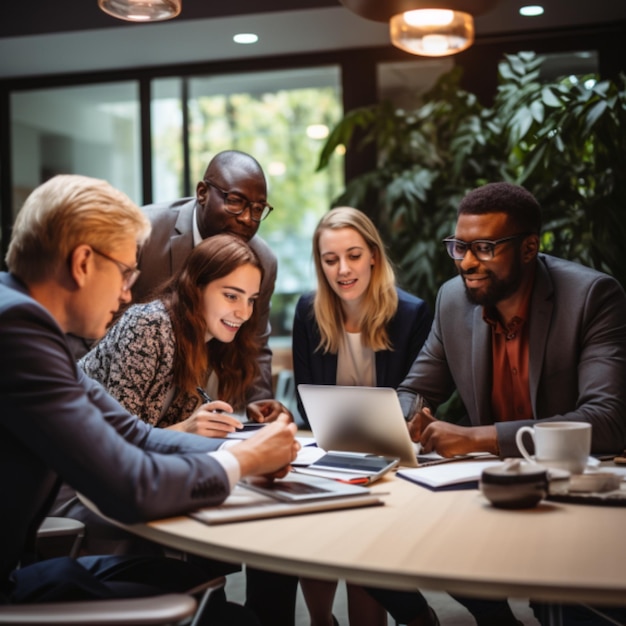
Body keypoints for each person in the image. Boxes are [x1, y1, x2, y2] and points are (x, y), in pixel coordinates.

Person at [0, 174, 299, 623]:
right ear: (83, 263)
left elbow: (130, 430)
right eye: (124, 272)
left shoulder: (27, 322)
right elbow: (131, 486)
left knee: (186, 584)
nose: (126, 292)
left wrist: (237, 447)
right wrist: (244, 462)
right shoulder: (18, 332)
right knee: (237, 619)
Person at [398, 181, 626, 626]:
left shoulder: (592, 297)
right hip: (490, 485)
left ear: (527, 249)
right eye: (459, 246)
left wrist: (476, 438)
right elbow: (418, 387)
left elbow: (607, 419)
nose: (466, 262)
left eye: (484, 247)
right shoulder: (452, 300)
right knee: (412, 523)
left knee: (566, 609)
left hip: (574, 489)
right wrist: (408, 417)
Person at [293, 207, 435, 626]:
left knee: (360, 535)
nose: (343, 269)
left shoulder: (411, 313)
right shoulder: (308, 311)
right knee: (312, 523)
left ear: (374, 254)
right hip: (330, 450)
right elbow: (306, 402)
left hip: (392, 456)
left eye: (353, 255)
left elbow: (421, 402)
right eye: (330, 259)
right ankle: (322, 621)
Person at [79, 233, 269, 432]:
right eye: (231, 296)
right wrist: (187, 430)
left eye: (251, 300)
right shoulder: (150, 324)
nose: (244, 313)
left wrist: (242, 418)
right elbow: (120, 438)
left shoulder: (209, 338)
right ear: (196, 288)